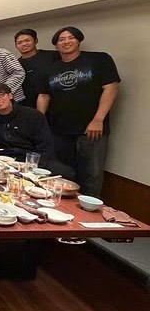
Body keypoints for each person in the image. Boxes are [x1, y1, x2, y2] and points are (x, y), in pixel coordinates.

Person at [37, 26, 120, 197]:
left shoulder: (99, 59)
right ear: (56, 45)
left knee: (91, 174)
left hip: (91, 129)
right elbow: (44, 95)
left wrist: (98, 119)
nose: (66, 41)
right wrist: (40, 121)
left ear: (79, 40)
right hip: (58, 130)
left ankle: (89, 209)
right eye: (61, 39)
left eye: (71, 37)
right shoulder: (49, 68)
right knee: (61, 173)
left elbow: (111, 88)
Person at [0, 83, 75, 178]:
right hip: (1, 158)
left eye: (1, 95)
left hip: (29, 159)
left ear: (10, 96)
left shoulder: (33, 116)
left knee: (66, 172)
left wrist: (34, 165)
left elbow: (45, 147)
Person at [14, 28, 59, 109]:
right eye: (19, 42)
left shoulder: (53, 56)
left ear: (36, 41)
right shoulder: (15, 64)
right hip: (28, 107)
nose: (24, 44)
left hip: (56, 102)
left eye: (27, 40)